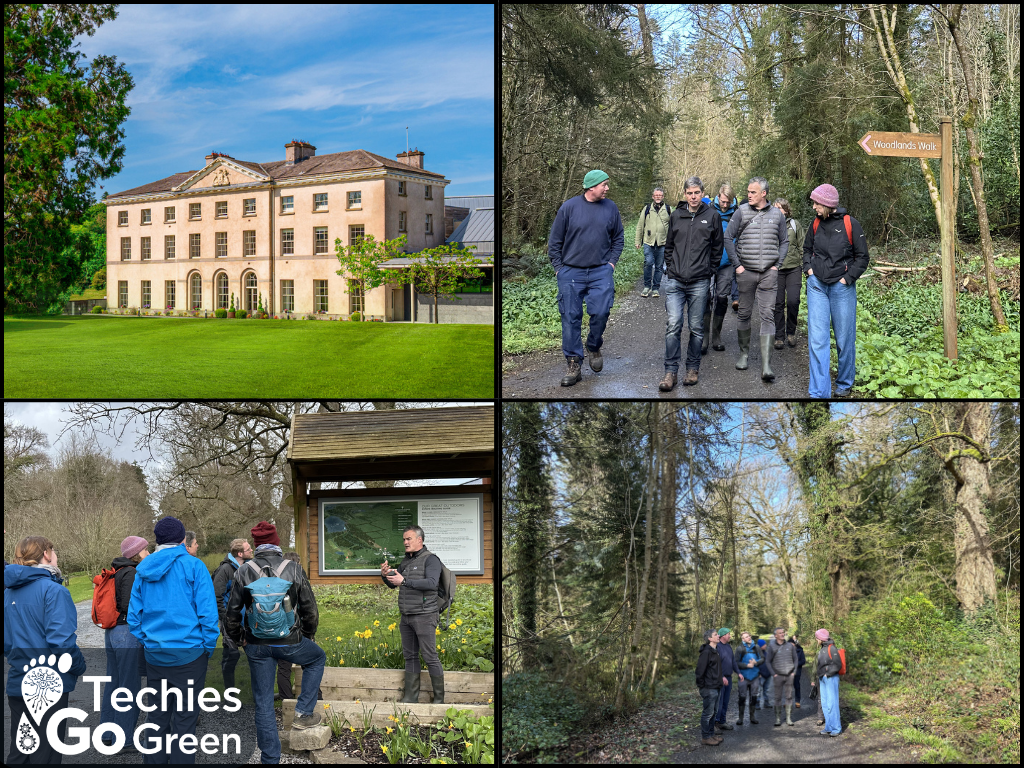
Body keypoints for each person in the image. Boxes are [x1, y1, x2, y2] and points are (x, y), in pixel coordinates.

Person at [225, 522, 325, 764]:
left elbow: (232, 613)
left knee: (263, 702)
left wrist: (240, 638)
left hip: (256, 644)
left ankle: (270, 759)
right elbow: (310, 609)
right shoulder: (293, 568)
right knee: (316, 658)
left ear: (256, 544)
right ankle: (303, 712)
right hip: (289, 640)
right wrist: (307, 634)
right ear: (277, 542)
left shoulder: (243, 570)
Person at [127, 516, 220, 765]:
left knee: (156, 718)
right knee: (185, 721)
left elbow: (134, 618)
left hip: (156, 655)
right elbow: (208, 615)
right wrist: (207, 648)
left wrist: (149, 642)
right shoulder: (194, 566)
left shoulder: (142, 571)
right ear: (182, 539)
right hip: (190, 654)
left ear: (157, 540)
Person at [4, 536, 88, 765]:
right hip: (48, 684)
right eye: (54, 550)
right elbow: (61, 643)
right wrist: (79, 666)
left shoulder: (7, 593)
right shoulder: (53, 591)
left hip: (19, 680)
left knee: (21, 751)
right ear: (46, 554)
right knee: (46, 753)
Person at [548, 169, 624, 386]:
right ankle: (574, 364)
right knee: (570, 317)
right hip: (571, 272)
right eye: (604, 184)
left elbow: (618, 237)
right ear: (592, 186)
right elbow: (554, 241)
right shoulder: (569, 208)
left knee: (601, 311)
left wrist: (611, 264)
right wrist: (559, 269)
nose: (607, 188)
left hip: (600, 271)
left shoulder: (610, 207)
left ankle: (593, 345)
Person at [803, 183, 870, 397]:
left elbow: (863, 257)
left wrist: (846, 279)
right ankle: (818, 392)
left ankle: (844, 382)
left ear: (827, 204)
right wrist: (809, 270)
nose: (814, 207)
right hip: (817, 286)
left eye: (816, 203)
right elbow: (806, 250)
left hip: (842, 288)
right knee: (817, 340)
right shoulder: (815, 223)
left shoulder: (851, 224)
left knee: (844, 338)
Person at [659, 176, 723, 391]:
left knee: (696, 327)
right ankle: (670, 372)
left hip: (699, 281)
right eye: (689, 193)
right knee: (673, 324)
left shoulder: (712, 216)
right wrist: (671, 268)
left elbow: (717, 248)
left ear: (702, 194)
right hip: (676, 280)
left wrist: (709, 270)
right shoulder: (676, 215)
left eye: (697, 193)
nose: (693, 197)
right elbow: (669, 246)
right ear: (685, 194)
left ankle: (692, 369)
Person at [723, 177, 789, 382]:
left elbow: (784, 241)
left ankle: (766, 365)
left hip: (769, 272)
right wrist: (738, 266)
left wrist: (777, 265)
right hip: (746, 272)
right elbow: (727, 237)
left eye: (753, 192)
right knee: (744, 313)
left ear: (764, 193)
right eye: (748, 192)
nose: (749, 195)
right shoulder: (741, 212)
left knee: (767, 315)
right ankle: (743, 355)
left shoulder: (777, 215)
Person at [381, 525, 445, 704]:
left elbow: (432, 583)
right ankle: (410, 697)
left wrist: (405, 581)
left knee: (430, 657)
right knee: (410, 656)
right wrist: (385, 576)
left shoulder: (431, 560)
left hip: (425, 615)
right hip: (407, 616)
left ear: (419, 540)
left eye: (408, 539)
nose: (405, 542)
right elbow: (395, 584)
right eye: (404, 539)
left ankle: (439, 700)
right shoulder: (406, 561)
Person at [98, 536, 150, 751]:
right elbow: (130, 606)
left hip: (112, 632)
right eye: (145, 550)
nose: (148, 553)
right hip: (126, 632)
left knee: (114, 683)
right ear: (136, 553)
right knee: (129, 687)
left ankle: (108, 734)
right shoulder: (132, 572)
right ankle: (124, 740)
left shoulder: (117, 570)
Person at [211, 538, 254, 693]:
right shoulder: (225, 570)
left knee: (254, 657)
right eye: (248, 549)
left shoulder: (249, 568)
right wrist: (226, 619)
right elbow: (216, 596)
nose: (252, 550)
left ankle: (257, 694)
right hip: (230, 622)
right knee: (231, 657)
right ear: (240, 553)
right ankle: (230, 695)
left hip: (248, 621)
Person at [703, 184, 739, 355]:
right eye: (723, 201)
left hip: (727, 263)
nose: (725, 205)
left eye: (728, 202)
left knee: (722, 298)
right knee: (706, 298)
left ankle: (716, 335)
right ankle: (704, 336)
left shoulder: (736, 213)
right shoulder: (708, 209)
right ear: (718, 197)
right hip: (708, 262)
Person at [771, 199, 805, 349]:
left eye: (780, 208)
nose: (777, 210)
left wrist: (805, 265)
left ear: (786, 210)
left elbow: (803, 246)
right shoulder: (770, 225)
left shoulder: (794, 225)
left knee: (793, 301)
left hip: (793, 268)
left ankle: (791, 332)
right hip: (776, 269)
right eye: (774, 208)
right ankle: (779, 336)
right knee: (777, 303)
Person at [635, 188, 672, 298]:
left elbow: (673, 227)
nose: (658, 197)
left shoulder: (668, 209)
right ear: (653, 196)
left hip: (662, 243)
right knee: (648, 262)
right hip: (648, 241)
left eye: (660, 195)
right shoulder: (647, 209)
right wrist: (638, 241)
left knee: (659, 266)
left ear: (663, 197)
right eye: (656, 195)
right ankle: (647, 286)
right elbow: (640, 225)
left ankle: (655, 288)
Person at [695, 628, 725, 746]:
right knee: (708, 713)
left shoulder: (715, 651)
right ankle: (705, 737)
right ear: (710, 638)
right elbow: (699, 671)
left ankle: (711, 734)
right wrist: (702, 687)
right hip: (709, 688)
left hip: (716, 686)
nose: (718, 636)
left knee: (714, 712)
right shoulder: (706, 652)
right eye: (715, 634)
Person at [763, 626, 797, 726]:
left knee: (789, 696)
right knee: (777, 697)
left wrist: (794, 672)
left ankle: (788, 718)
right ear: (775, 636)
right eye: (780, 633)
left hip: (789, 675)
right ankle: (778, 719)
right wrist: (773, 674)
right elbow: (768, 661)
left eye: (783, 632)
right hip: (778, 676)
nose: (782, 634)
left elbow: (796, 659)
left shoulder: (790, 646)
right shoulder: (772, 647)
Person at [813, 628, 843, 736]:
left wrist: (828, 673)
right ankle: (828, 727)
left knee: (832, 704)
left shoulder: (832, 648)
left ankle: (836, 728)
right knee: (825, 703)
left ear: (821, 638)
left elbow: (838, 664)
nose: (816, 639)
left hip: (831, 678)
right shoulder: (822, 648)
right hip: (822, 679)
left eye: (817, 637)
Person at [735, 631, 762, 725]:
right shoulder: (740, 649)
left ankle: (752, 717)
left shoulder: (757, 647)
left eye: (749, 636)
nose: (749, 638)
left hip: (755, 677)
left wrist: (756, 662)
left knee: (754, 697)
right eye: (746, 637)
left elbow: (762, 659)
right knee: (742, 697)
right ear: (743, 639)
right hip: (743, 677)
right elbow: (736, 663)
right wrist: (747, 665)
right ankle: (740, 718)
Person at [713, 627, 735, 732]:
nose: (730, 636)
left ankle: (722, 721)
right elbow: (715, 665)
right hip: (720, 678)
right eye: (728, 634)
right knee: (719, 701)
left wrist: (739, 672)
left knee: (726, 701)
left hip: (729, 678)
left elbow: (733, 661)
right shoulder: (717, 647)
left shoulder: (728, 647)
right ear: (723, 636)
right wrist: (721, 676)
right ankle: (715, 723)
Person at [791, 634, 807, 708]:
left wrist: (796, 663)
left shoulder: (800, 651)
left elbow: (803, 661)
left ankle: (797, 701)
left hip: (796, 672)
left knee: (796, 686)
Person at [757, 637, 772, 708]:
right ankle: (757, 703)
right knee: (758, 690)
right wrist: (758, 673)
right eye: (764, 644)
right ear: (760, 646)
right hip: (760, 675)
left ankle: (766, 702)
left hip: (768, 675)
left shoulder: (767, 654)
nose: (766, 645)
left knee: (767, 690)